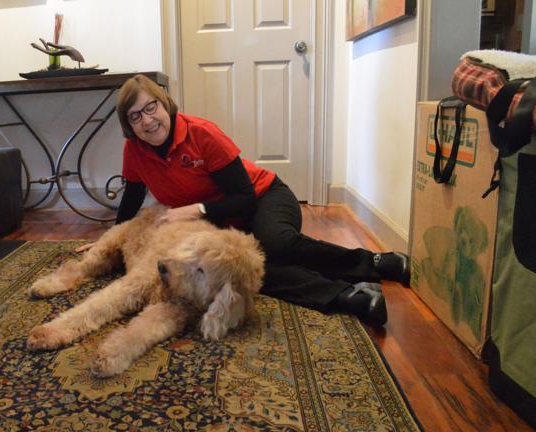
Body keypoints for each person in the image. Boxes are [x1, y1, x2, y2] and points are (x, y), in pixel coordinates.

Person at [90, 74, 410, 326]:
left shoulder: (201, 133)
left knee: (275, 244)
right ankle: (347, 296)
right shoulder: (134, 151)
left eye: (151, 108)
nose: (147, 121)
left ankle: (374, 264)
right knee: (243, 270)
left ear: (165, 104)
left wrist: (196, 209)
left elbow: (243, 197)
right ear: (129, 126)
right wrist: (113, 239)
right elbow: (131, 197)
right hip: (216, 222)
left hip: (261, 197)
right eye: (135, 116)